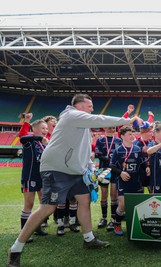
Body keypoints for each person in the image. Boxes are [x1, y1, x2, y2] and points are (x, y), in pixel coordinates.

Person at [7, 94, 137, 267]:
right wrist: (125, 119)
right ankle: (16, 248)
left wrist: (90, 168)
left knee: (84, 200)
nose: (92, 108)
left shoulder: (83, 125)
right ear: (79, 105)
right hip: (57, 169)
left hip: (75, 171)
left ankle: (89, 238)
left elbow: (83, 150)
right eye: (89, 105)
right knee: (47, 208)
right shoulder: (71, 115)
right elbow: (98, 119)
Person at [110, 126, 146, 236]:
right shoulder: (118, 150)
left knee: (137, 205)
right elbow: (111, 166)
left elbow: (142, 163)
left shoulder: (137, 149)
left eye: (132, 133)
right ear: (122, 136)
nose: (132, 135)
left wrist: (147, 168)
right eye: (129, 134)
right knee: (122, 204)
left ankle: (136, 226)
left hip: (136, 182)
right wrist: (120, 173)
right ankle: (117, 223)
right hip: (123, 182)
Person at [19, 119, 49, 242]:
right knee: (29, 204)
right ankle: (24, 232)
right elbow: (22, 138)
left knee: (44, 204)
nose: (45, 130)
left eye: (46, 128)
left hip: (41, 177)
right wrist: (38, 138)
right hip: (29, 177)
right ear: (34, 129)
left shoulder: (45, 144)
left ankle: (37, 226)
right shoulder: (29, 141)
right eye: (43, 128)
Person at [95, 126, 122, 231]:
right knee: (104, 194)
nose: (112, 129)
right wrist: (110, 159)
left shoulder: (118, 140)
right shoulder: (100, 140)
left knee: (114, 194)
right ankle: (104, 218)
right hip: (103, 170)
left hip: (115, 169)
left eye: (114, 127)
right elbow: (98, 154)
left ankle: (112, 219)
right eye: (110, 127)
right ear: (105, 128)